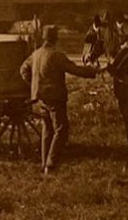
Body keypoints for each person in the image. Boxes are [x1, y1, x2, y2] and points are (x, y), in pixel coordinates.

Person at [20, 24, 104, 173]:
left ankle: (44, 164)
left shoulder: (36, 54)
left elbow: (23, 69)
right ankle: (51, 164)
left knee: (47, 130)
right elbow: (75, 69)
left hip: (41, 98)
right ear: (55, 39)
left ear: (44, 38)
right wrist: (94, 71)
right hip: (55, 98)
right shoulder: (56, 55)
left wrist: (34, 84)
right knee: (61, 130)